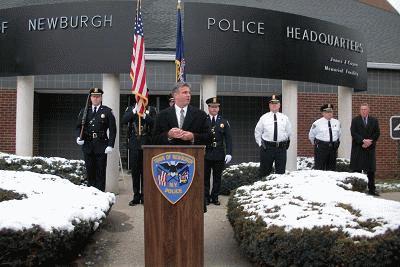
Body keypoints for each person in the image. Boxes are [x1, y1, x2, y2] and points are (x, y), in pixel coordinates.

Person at [152, 82, 211, 212]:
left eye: (189, 92)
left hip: (193, 166)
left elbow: (209, 137)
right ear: (175, 95)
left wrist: (192, 136)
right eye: (185, 92)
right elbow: (153, 139)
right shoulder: (162, 115)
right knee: (170, 207)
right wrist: (168, 134)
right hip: (169, 171)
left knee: (192, 207)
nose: (188, 95)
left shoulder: (200, 115)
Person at [76, 87, 117, 192]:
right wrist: (78, 137)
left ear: (101, 98)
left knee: (100, 173)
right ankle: (91, 197)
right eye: (93, 96)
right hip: (88, 145)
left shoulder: (107, 111)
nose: (95, 99)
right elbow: (79, 126)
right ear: (90, 98)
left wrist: (110, 145)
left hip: (101, 145)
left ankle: (100, 196)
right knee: (90, 173)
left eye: (98, 96)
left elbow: (113, 130)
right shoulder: (84, 111)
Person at [122, 103, 154, 206]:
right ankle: (136, 196)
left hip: (146, 144)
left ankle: (145, 196)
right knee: (135, 172)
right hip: (134, 144)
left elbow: (155, 123)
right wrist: (134, 111)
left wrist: (145, 116)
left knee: (145, 172)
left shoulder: (151, 109)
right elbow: (124, 120)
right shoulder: (130, 108)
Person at [204, 97, 233, 206]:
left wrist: (229, 152)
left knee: (217, 177)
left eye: (216, 107)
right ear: (209, 107)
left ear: (219, 108)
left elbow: (229, 139)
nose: (214, 109)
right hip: (206, 152)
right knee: (205, 177)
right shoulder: (203, 120)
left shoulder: (224, 121)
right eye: (212, 107)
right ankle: (206, 197)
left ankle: (215, 197)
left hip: (219, 153)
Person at [254, 95, 291, 177]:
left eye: (276, 103)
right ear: (269, 105)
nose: (274, 105)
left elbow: (289, 132)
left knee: (281, 173)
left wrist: (285, 144)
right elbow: (257, 132)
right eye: (272, 103)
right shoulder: (264, 117)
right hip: (267, 148)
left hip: (281, 148)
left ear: (279, 105)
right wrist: (260, 144)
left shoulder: (284, 118)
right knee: (264, 172)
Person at [350, 103, 380, 196]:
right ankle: (357, 190)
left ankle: (372, 190)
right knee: (357, 169)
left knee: (370, 171)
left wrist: (369, 142)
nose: (363, 111)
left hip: (370, 149)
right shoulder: (355, 120)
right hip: (358, 148)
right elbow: (353, 132)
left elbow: (377, 133)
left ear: (368, 110)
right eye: (362, 109)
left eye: (365, 109)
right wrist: (363, 141)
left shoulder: (374, 120)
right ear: (360, 110)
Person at [308, 104, 341, 170]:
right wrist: (315, 144)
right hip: (321, 148)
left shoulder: (337, 122)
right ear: (323, 113)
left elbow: (339, 134)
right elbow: (311, 135)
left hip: (333, 148)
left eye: (331, 112)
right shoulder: (317, 123)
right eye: (327, 112)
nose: (329, 114)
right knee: (320, 168)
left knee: (332, 168)